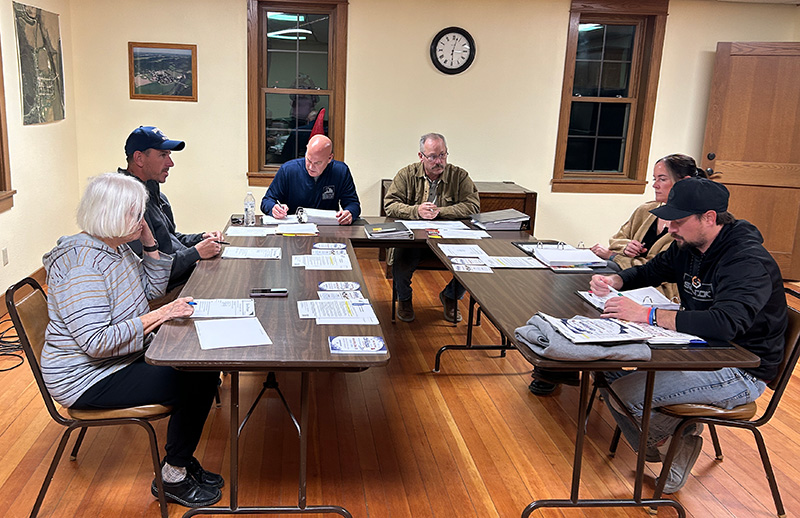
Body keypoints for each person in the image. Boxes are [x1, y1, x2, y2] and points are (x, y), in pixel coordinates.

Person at [589, 177, 787, 494]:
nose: (670, 229)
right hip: (698, 350)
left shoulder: (747, 261)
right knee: (603, 366)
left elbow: (725, 323)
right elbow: (649, 271)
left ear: (709, 218)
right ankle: (669, 443)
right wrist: (616, 280)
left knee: (624, 394)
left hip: (741, 368)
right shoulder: (689, 246)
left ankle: (676, 441)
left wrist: (649, 315)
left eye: (678, 221)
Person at [42, 173, 223, 507]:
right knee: (197, 378)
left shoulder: (114, 248)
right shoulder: (82, 266)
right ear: (109, 214)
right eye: (135, 215)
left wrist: (151, 243)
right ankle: (173, 475)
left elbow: (152, 289)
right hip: (86, 376)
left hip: (118, 358)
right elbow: (96, 342)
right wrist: (161, 314)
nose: (142, 221)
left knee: (201, 365)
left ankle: (180, 461)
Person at [529, 154, 708, 396]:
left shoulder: (690, 227)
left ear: (684, 182)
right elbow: (617, 241)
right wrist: (623, 250)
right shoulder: (646, 210)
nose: (654, 185)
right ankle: (562, 364)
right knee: (578, 290)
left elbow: (656, 268)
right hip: (635, 278)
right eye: (654, 179)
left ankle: (573, 366)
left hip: (661, 293)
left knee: (600, 304)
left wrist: (614, 257)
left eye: (662, 179)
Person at [384, 133, 480, 323]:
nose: (439, 161)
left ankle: (451, 296)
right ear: (421, 156)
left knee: (473, 264)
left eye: (443, 155)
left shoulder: (459, 176)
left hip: (449, 238)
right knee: (400, 264)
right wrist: (416, 210)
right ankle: (404, 300)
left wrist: (442, 211)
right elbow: (390, 204)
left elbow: (473, 205)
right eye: (433, 156)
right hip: (415, 240)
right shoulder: (406, 174)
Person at [119, 126, 223, 293]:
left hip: (182, 278)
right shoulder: (126, 203)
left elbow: (169, 238)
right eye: (162, 155)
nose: (171, 163)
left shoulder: (154, 194)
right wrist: (195, 253)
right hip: (165, 293)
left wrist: (201, 238)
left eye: (169, 155)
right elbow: (148, 267)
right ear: (139, 158)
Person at [261, 134, 361, 225]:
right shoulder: (288, 170)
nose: (311, 167)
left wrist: (350, 213)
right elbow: (267, 201)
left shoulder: (341, 171)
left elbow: (353, 204)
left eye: (317, 163)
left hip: (327, 230)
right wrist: (273, 208)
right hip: (294, 231)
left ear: (330, 158)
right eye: (308, 160)